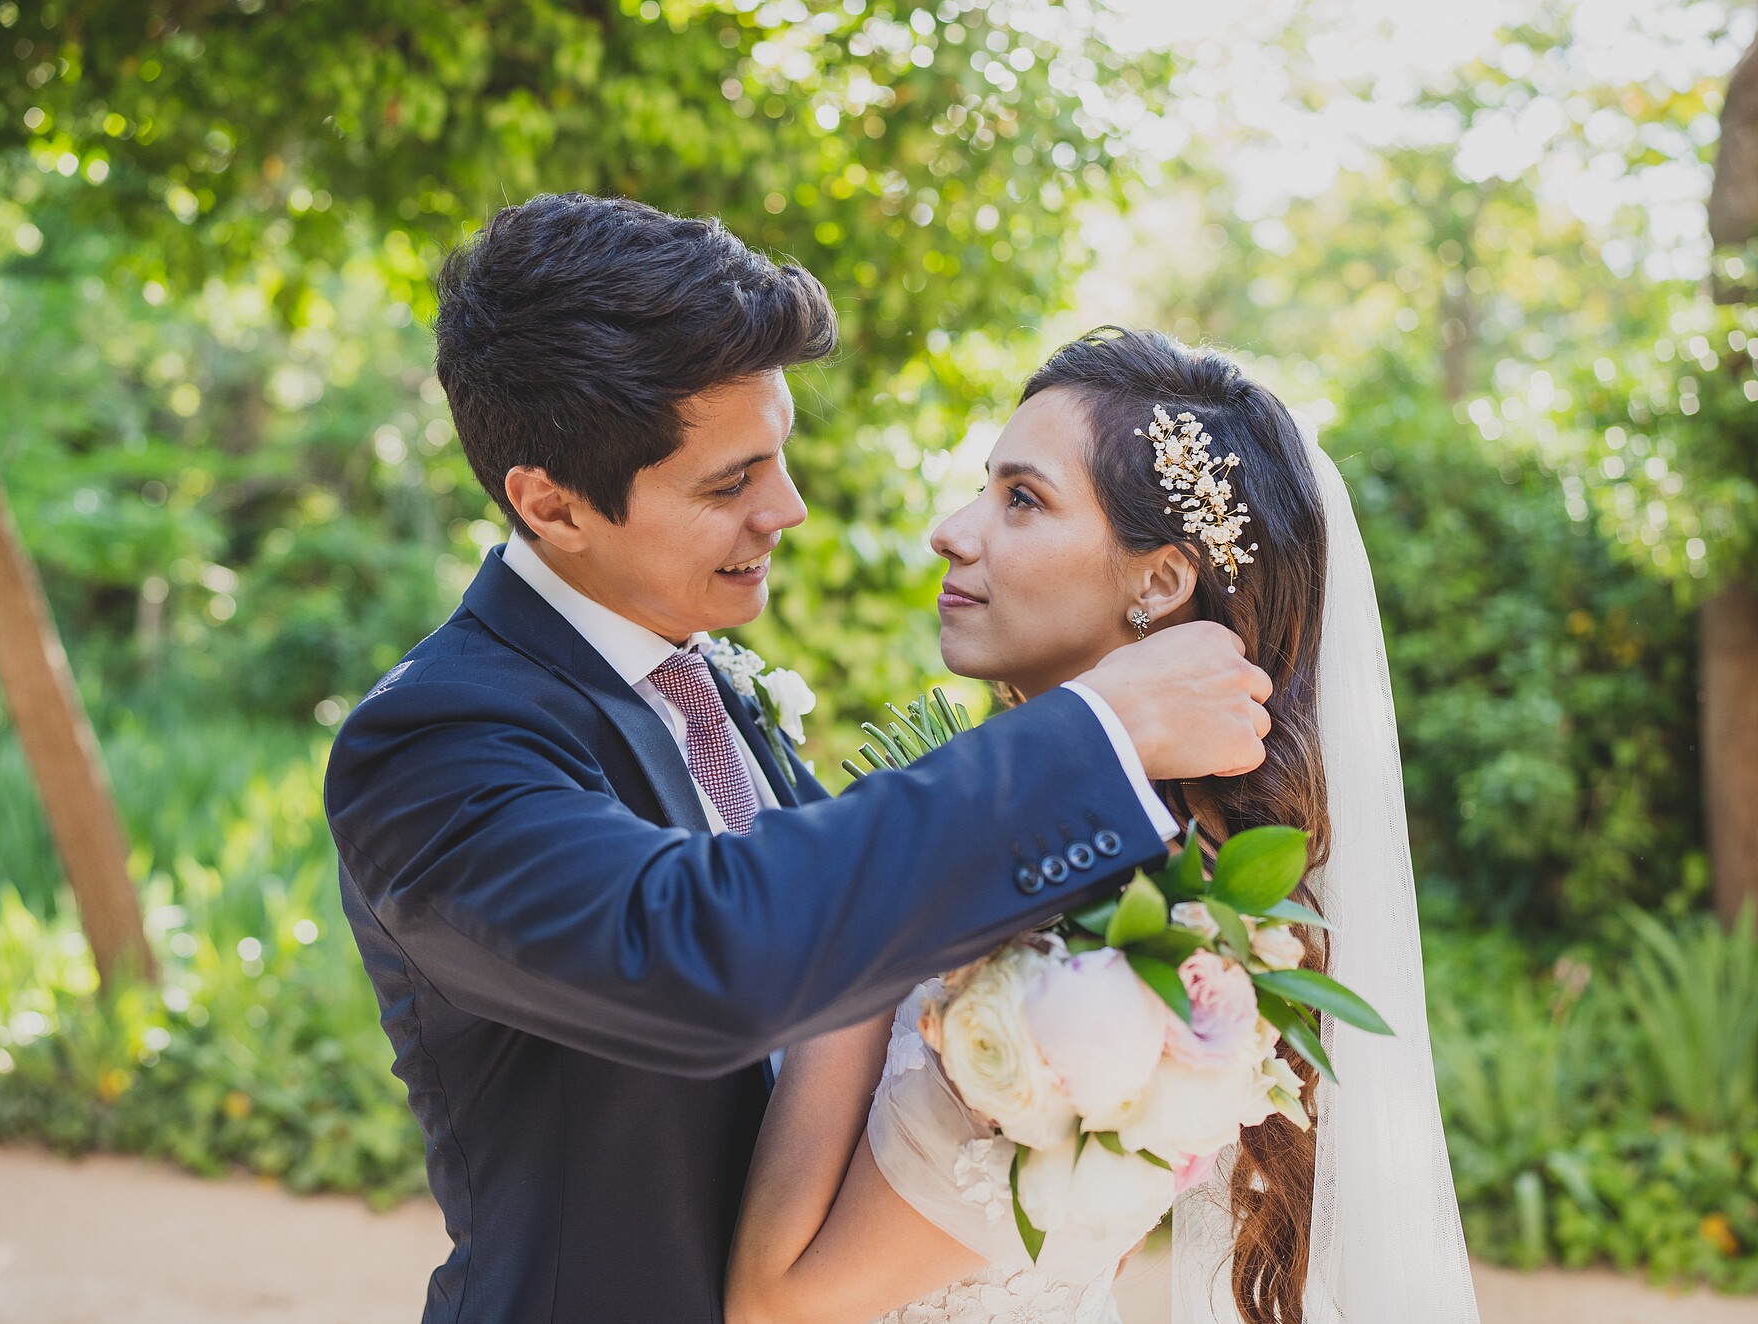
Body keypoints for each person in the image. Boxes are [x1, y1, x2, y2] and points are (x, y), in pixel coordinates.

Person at [324, 199, 1275, 1324]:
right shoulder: (434, 742)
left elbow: (838, 911)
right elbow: (700, 949)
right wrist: (1093, 736)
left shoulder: (706, 674)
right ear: (551, 505)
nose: (789, 507)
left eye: (778, 454)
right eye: (729, 483)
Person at [726, 328, 1478, 1324]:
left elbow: (773, 1304)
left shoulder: (1127, 956)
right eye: (984, 488)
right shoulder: (1068, 862)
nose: (951, 532)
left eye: (1022, 500)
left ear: (1157, 582)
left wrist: (870, 899)